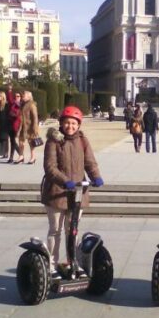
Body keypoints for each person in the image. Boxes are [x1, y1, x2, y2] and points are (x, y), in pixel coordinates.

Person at [41, 106, 103, 279]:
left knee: (73, 230)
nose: (70, 126)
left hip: (77, 192)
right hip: (57, 192)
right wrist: (64, 181)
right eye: (67, 123)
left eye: (74, 123)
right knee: (55, 230)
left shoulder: (82, 140)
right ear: (61, 123)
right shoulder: (54, 141)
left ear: (79, 125)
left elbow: (90, 162)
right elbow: (50, 167)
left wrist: (96, 176)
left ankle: (72, 262)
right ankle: (52, 265)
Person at [17, 91, 41, 165]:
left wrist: (35, 127)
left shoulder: (32, 105)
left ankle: (33, 157)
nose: (22, 97)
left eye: (24, 96)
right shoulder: (22, 104)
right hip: (22, 126)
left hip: (30, 126)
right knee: (21, 141)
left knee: (31, 142)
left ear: (29, 97)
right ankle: (21, 156)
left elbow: (35, 117)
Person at [6, 90, 24, 163]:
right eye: (15, 96)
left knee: (13, 141)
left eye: (18, 96)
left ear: (20, 97)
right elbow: (10, 99)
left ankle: (20, 155)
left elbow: (19, 115)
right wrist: (9, 91)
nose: (16, 97)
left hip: (16, 125)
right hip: (10, 124)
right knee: (12, 141)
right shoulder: (13, 104)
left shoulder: (21, 105)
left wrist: (13, 115)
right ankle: (12, 157)